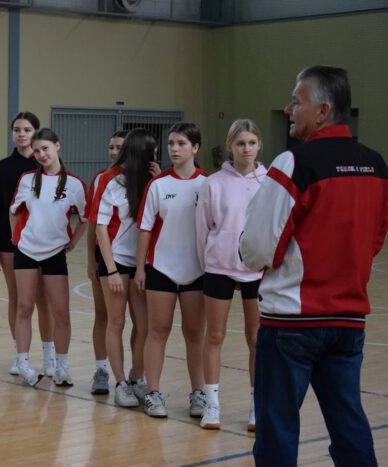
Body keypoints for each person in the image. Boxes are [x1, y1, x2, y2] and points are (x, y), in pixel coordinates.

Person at [240, 65, 385, 467]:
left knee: (277, 429)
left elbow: (256, 247)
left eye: (296, 101)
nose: (289, 109)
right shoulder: (376, 165)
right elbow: (374, 240)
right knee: (349, 425)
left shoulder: (294, 162)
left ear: (323, 111)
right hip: (348, 322)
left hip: (291, 322)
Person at [195, 119, 266, 431]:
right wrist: (210, 261)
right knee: (215, 335)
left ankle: (256, 405)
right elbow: (203, 228)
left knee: (257, 338)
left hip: (257, 270)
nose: (246, 149)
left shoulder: (270, 183)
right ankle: (212, 404)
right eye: (240, 143)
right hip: (219, 268)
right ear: (229, 146)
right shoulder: (213, 183)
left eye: (251, 143)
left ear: (259, 145)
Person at [134, 122, 208, 418]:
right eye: (171, 144)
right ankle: (153, 393)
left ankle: (199, 394)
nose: (175, 149)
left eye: (181, 143)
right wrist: (140, 268)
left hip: (198, 272)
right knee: (158, 331)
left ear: (195, 147)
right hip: (161, 269)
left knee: (195, 334)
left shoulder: (208, 184)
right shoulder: (158, 185)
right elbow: (145, 229)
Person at [9, 128, 87, 386]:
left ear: (57, 146)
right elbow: (13, 210)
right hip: (26, 252)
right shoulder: (27, 179)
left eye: (45, 148)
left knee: (61, 312)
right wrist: (16, 239)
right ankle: (23, 363)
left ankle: (61, 367)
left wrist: (73, 241)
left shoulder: (74, 184)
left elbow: (85, 218)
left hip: (55, 254)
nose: (41, 154)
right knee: (24, 307)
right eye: (37, 151)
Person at [0, 112, 56, 376]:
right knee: (17, 298)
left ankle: (49, 356)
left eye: (27, 129)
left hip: (43, 244)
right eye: (17, 130)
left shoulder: (45, 165)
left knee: (44, 300)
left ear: (36, 132)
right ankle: (21, 354)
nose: (21, 134)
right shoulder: (3, 167)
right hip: (9, 244)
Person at [91, 128, 154, 407]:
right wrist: (111, 270)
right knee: (116, 321)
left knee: (144, 324)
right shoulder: (109, 180)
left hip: (141, 263)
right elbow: (100, 228)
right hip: (115, 261)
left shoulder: (152, 181)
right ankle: (119, 383)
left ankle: (137, 376)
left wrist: (157, 178)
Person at [86, 130, 128, 395]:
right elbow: (94, 225)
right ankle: (101, 369)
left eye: (119, 147)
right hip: (107, 257)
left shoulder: (147, 179)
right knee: (103, 315)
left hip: (134, 261)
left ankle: (136, 376)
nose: (113, 152)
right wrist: (91, 260)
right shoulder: (101, 179)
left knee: (136, 322)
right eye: (111, 147)